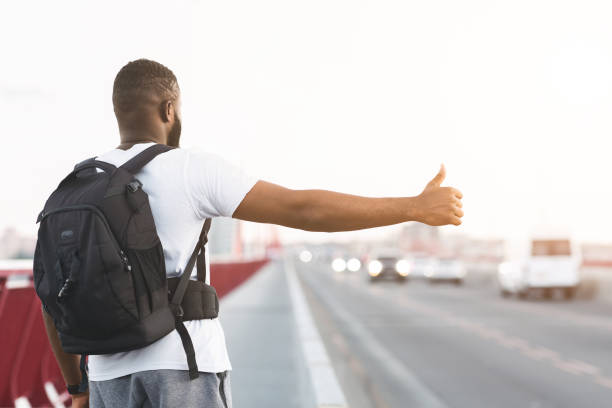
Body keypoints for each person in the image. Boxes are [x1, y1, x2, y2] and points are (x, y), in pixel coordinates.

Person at [41, 59, 463, 408]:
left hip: (107, 377)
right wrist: (413, 208)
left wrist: (77, 387)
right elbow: (303, 208)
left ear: (118, 112)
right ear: (170, 109)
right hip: (184, 368)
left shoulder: (77, 186)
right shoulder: (191, 169)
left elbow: (51, 293)